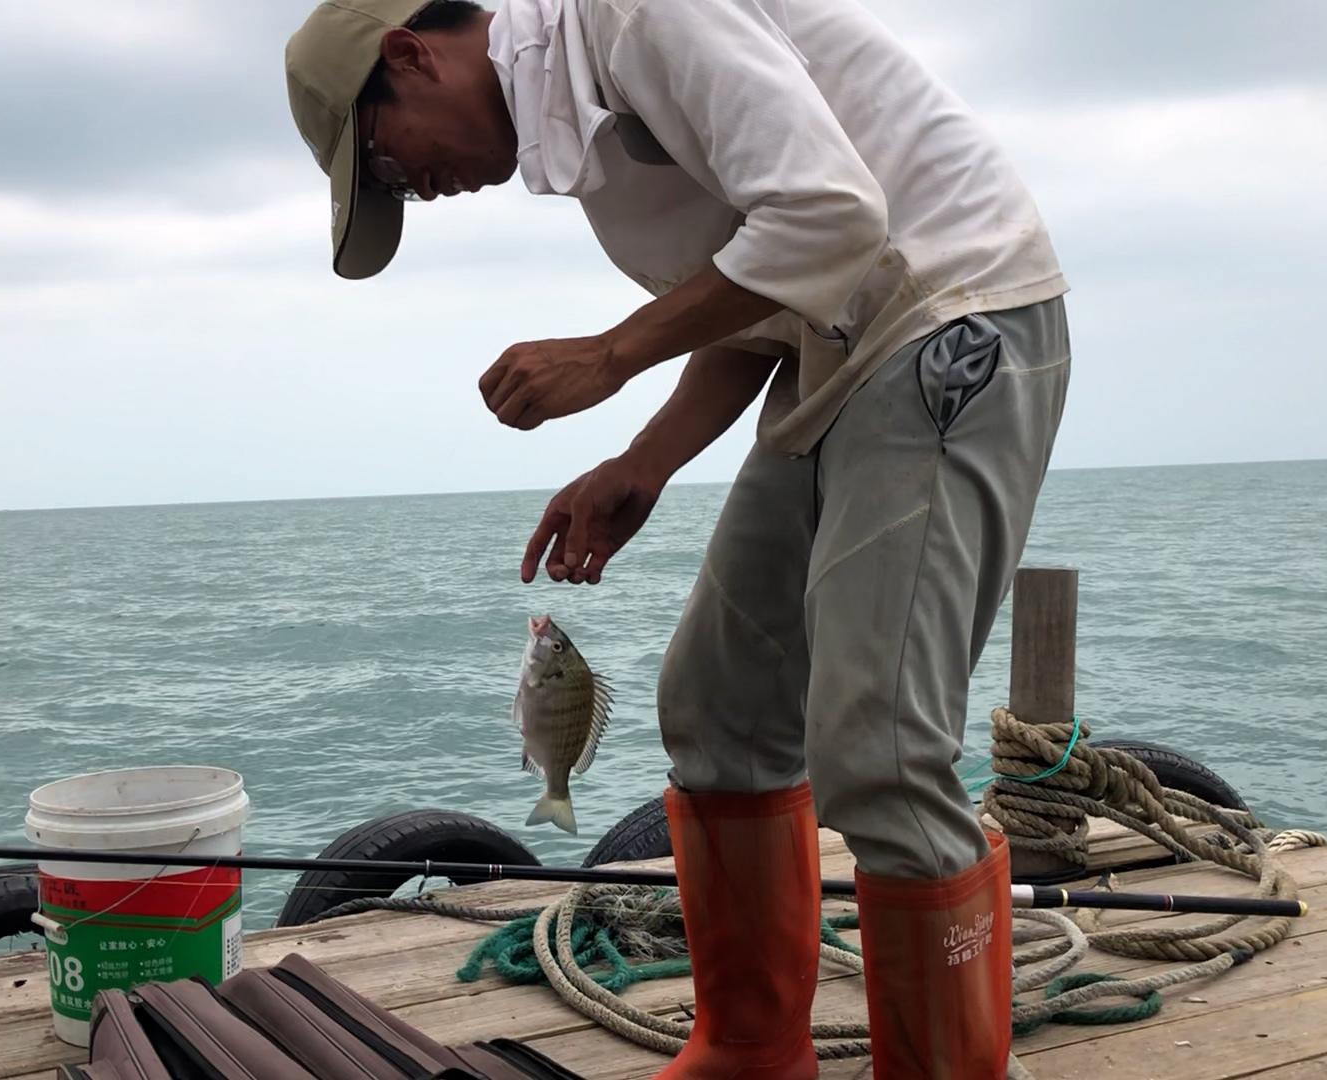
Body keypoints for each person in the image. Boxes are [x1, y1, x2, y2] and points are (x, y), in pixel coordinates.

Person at [283, 1, 1071, 1076]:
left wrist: (608, 357)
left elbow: (831, 216)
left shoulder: (629, 12)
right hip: (838, 354)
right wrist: (639, 466)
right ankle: (752, 1049)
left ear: (410, 55)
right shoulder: (584, 136)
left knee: (879, 751)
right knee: (715, 707)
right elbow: (762, 304)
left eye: (382, 162)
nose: (409, 193)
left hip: (953, 313)